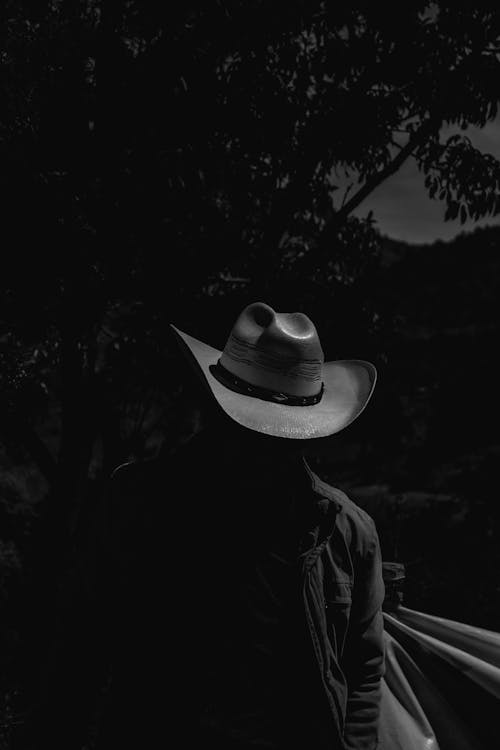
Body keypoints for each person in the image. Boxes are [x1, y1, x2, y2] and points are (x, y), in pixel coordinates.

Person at [21, 301, 385, 750]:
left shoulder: (346, 531)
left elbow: (364, 668)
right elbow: (81, 644)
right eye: (250, 430)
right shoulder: (141, 502)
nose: (260, 447)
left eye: (276, 434)